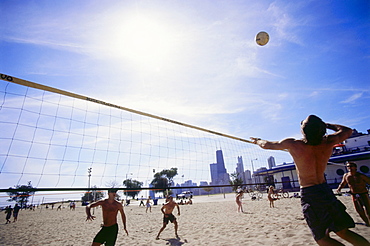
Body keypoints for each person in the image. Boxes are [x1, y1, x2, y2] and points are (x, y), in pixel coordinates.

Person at [251, 115, 370, 246]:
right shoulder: (328, 141)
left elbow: (267, 145)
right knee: (343, 231)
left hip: (310, 193)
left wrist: (257, 140)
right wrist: (327, 125)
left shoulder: (294, 144)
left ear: (303, 131)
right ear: (321, 129)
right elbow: (347, 131)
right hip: (325, 190)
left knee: (321, 238)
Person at [337, 161, 370, 226]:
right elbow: (343, 183)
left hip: (363, 193)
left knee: (368, 209)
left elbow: (369, 181)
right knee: (359, 210)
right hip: (354, 195)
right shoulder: (346, 175)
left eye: (351, 166)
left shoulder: (360, 175)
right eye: (348, 166)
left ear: (355, 167)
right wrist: (339, 189)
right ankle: (367, 222)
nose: (349, 168)